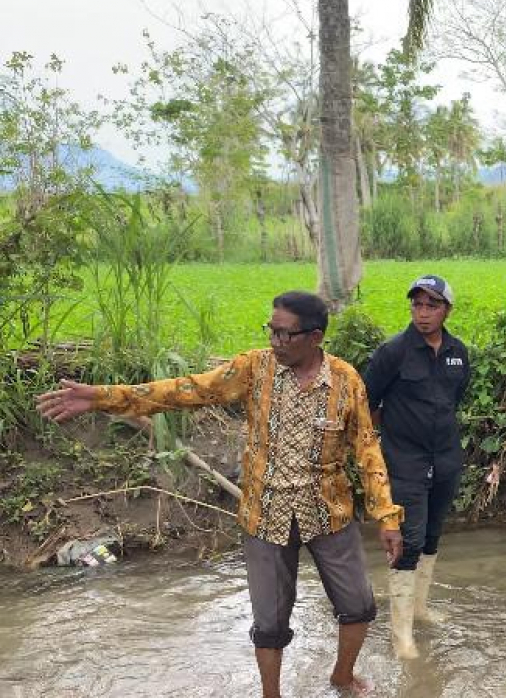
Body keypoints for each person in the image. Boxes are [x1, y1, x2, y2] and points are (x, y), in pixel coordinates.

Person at [36, 291, 403, 698]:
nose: (275, 341)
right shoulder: (253, 369)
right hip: (264, 515)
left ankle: (342, 677)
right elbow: (184, 390)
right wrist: (102, 398)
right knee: (269, 624)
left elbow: (367, 449)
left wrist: (387, 517)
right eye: (271, 331)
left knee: (358, 606)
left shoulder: (346, 381)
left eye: (285, 334)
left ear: (315, 337)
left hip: (329, 511)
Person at [362, 274, 470, 659]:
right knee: (408, 541)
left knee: (432, 536)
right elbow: (366, 403)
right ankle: (401, 637)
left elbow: (454, 398)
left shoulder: (458, 352)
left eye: (431, 305)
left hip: (446, 459)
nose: (423, 313)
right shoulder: (393, 352)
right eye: (417, 304)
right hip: (405, 462)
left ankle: (420, 610)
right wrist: (385, 441)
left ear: (447, 310)